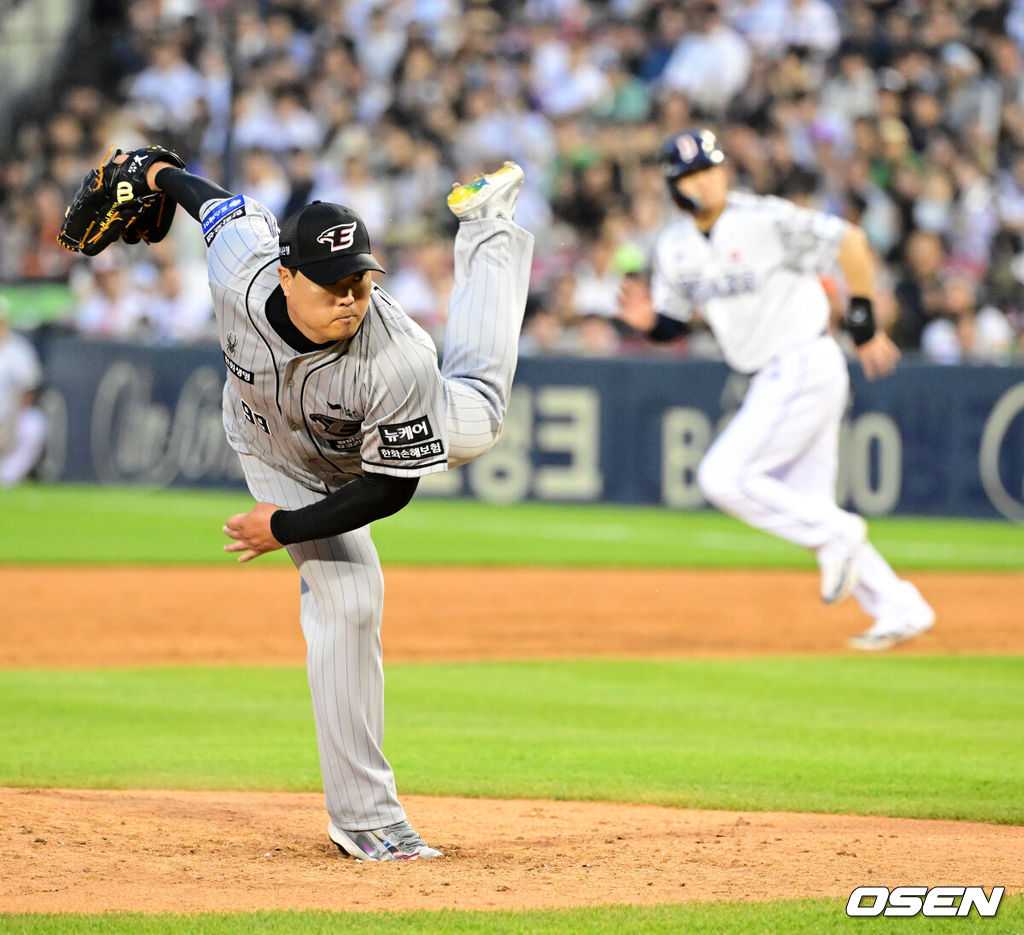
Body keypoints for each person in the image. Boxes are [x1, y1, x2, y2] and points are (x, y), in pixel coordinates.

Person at [97, 150, 533, 858]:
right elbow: (211, 205)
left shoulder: (398, 355)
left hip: (376, 446)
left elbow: (390, 488)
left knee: (481, 413)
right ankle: (366, 821)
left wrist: (285, 528)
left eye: (360, 281)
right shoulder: (240, 266)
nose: (350, 297)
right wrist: (154, 175)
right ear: (285, 273)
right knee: (351, 595)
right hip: (271, 445)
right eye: (332, 282)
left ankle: (486, 225)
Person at [619, 128, 935, 651]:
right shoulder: (674, 246)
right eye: (694, 174)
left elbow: (850, 242)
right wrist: (650, 324)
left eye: (713, 167)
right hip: (769, 375)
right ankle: (899, 605)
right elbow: (675, 324)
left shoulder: (763, 218)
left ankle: (841, 535)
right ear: (675, 186)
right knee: (808, 504)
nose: (708, 179)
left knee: (723, 477)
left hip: (804, 360)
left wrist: (862, 325)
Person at [0, 297, 47, 486]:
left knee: (33, 423)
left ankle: (6, 476)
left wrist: (11, 420)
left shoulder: (18, 350)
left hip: (9, 416)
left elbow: (27, 390)